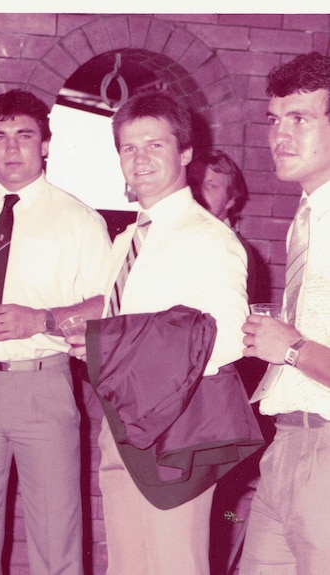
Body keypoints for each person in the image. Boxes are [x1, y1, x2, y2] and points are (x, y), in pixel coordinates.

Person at [66, 92, 249, 575]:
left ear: (185, 153)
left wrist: (126, 351)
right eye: (129, 148)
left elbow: (229, 338)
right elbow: (122, 329)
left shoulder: (208, 237)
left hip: (176, 432)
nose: (140, 158)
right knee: (126, 566)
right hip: (120, 426)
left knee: (173, 566)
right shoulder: (126, 239)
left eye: (155, 145)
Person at [0, 88, 111, 575]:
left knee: (57, 540)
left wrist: (40, 320)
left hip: (43, 386)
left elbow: (105, 306)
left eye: (24, 136)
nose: (12, 149)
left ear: (46, 145)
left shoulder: (79, 220)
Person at [240, 51, 330, 575]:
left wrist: (290, 348)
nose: (280, 134)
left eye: (301, 119)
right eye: (275, 120)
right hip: (286, 444)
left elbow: (293, 346)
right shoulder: (307, 217)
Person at [189, 150, 270, 304]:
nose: (198, 192)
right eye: (193, 184)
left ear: (231, 200)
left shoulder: (229, 248)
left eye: (210, 186)